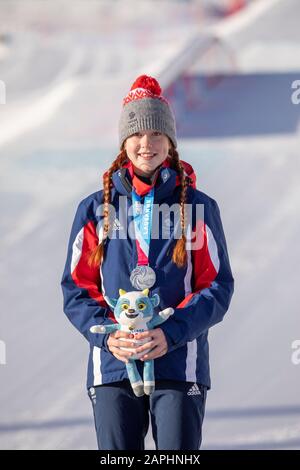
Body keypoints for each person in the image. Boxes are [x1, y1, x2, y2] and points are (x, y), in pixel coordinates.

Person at [61, 74, 234, 450]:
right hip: (112, 366)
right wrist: (110, 338)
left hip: (178, 361)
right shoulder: (95, 210)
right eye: (137, 134)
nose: (146, 144)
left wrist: (171, 333)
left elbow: (217, 286)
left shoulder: (199, 208)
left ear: (170, 143)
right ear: (124, 143)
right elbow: (77, 288)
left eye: (157, 134)